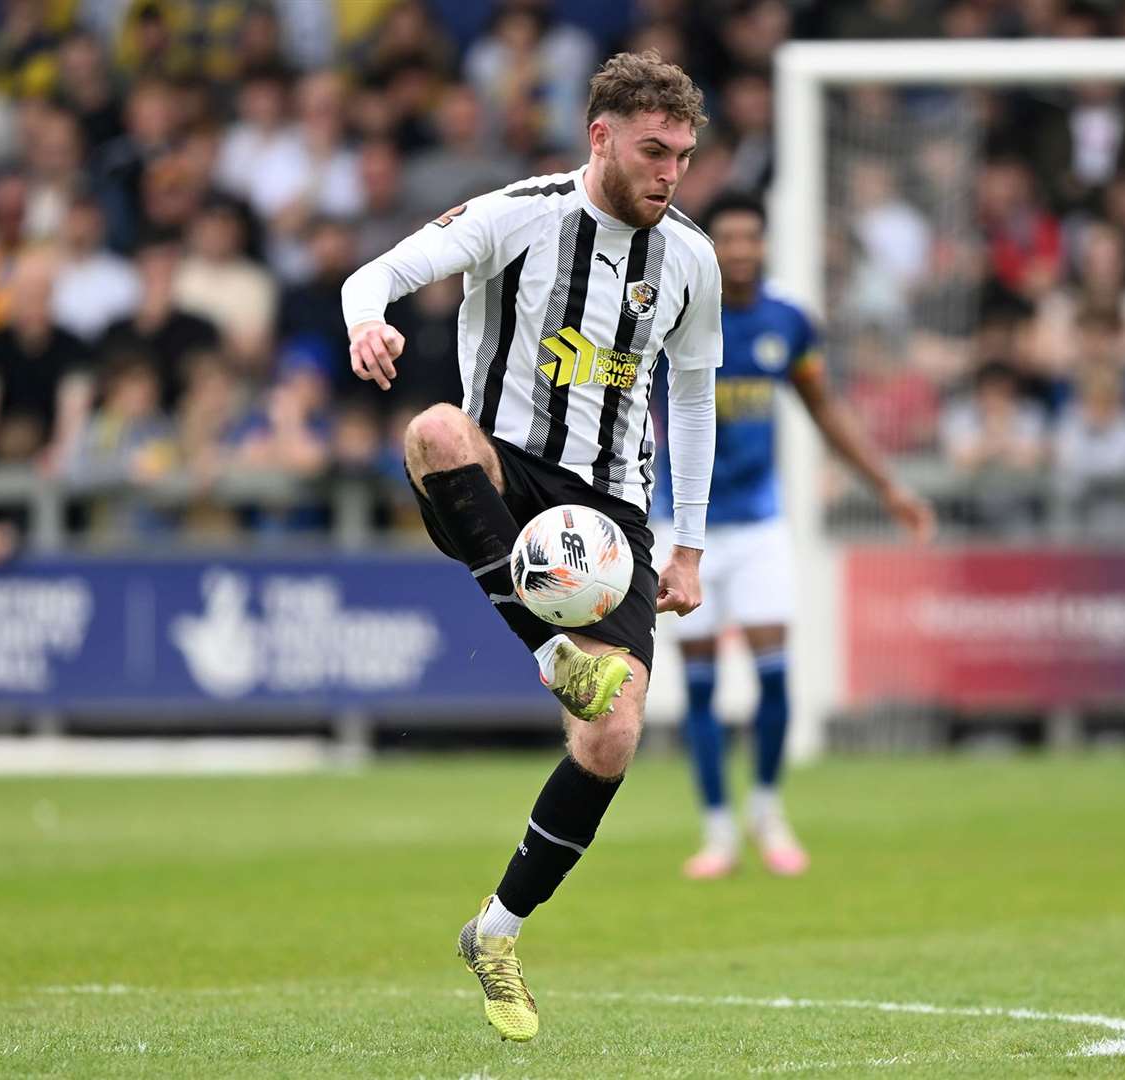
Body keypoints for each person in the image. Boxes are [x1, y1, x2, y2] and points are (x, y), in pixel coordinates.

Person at [341, 50, 719, 1043]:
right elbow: (373, 273)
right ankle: (550, 654)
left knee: (613, 734)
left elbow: (690, 395)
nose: (668, 172)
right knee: (431, 429)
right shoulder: (518, 214)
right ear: (600, 137)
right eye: (651, 150)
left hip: (614, 518)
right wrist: (366, 322)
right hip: (504, 479)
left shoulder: (688, 259)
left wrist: (686, 547)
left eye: (681, 154)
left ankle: (497, 931)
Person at [655, 192, 933, 881]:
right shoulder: (669, 310)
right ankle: (717, 829)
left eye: (753, 237)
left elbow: (824, 408)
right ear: (709, 245)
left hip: (758, 525)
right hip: (681, 526)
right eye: (730, 238)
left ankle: (767, 809)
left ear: (766, 244)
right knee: (698, 687)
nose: (743, 250)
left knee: (775, 674)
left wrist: (889, 487)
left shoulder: (787, 322)